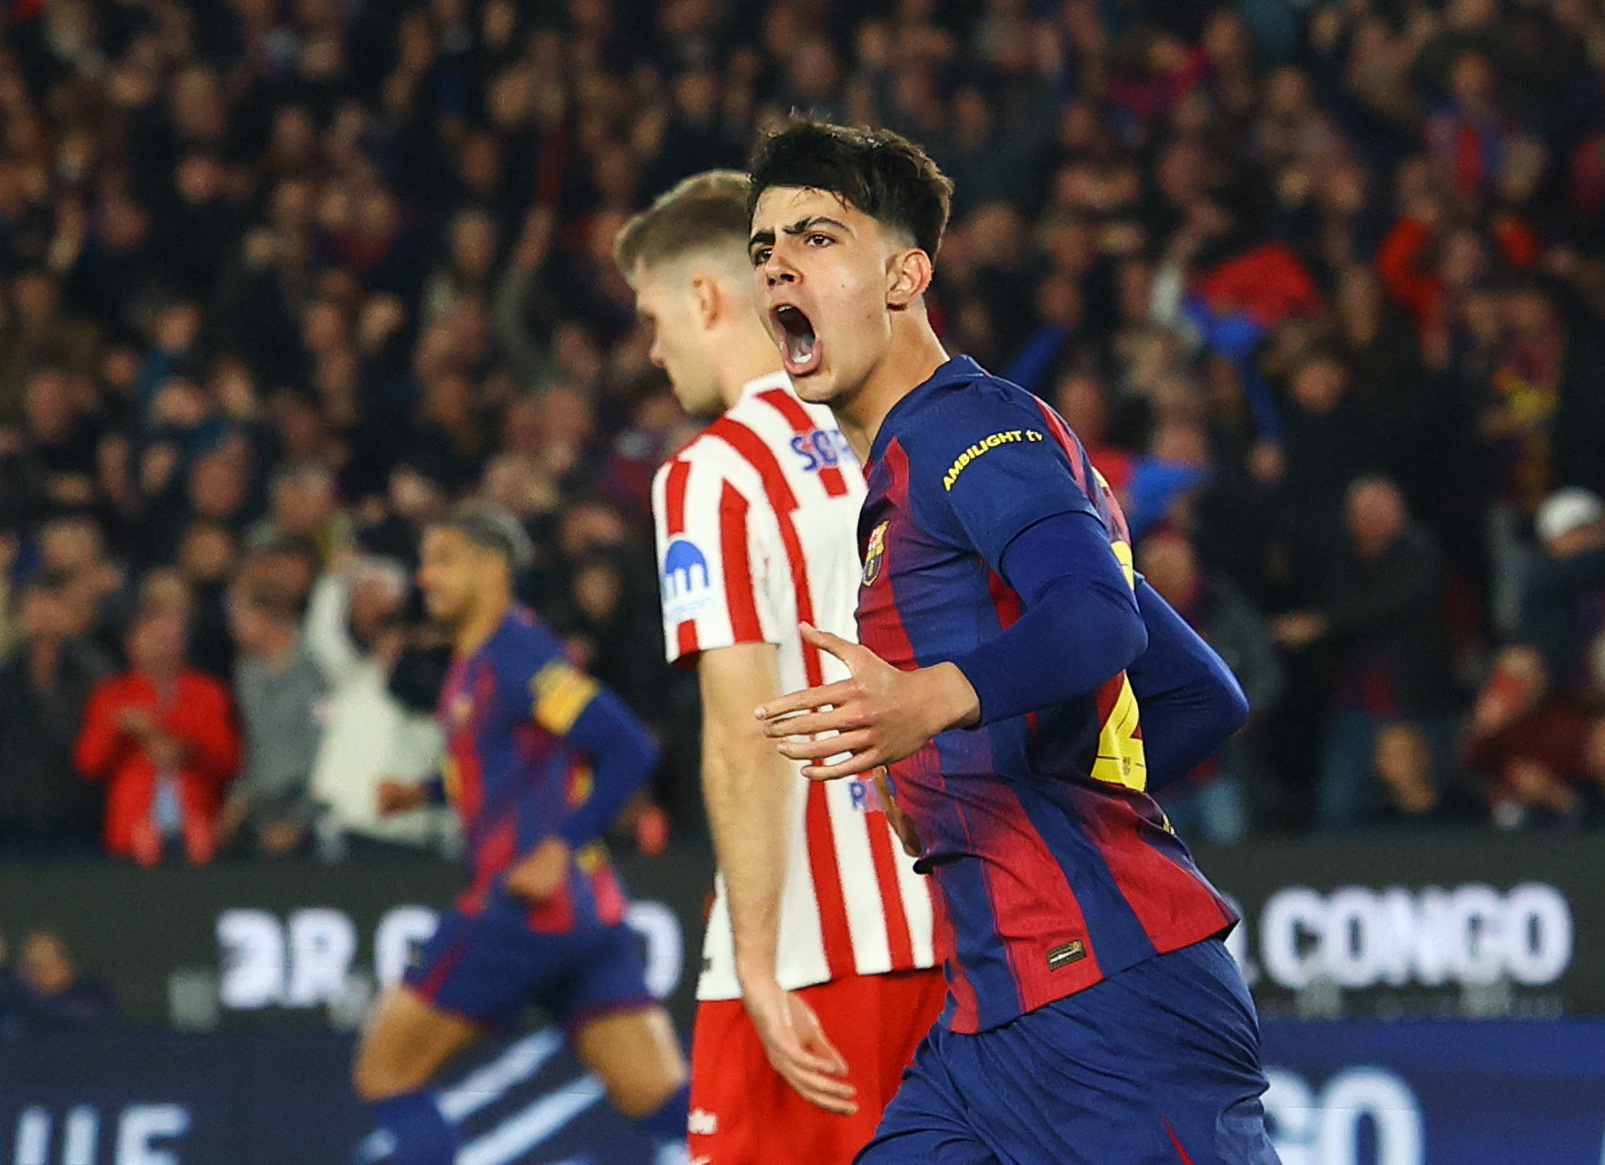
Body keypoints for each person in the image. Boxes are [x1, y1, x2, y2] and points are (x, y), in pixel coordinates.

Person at [745, 120, 1274, 1165]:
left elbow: (1096, 620)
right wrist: (991, 786)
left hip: (1113, 1008)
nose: (777, 266)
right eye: (762, 249)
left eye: (814, 237)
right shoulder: (914, 467)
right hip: (990, 1022)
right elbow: (1198, 692)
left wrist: (930, 706)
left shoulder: (972, 429)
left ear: (905, 276)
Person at [617, 171, 942, 1165]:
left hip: (815, 948)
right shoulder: (904, 432)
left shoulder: (713, 473)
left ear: (708, 297)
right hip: (955, 925)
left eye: (652, 314)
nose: (652, 346)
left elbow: (744, 730)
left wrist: (754, 957)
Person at [351, 506, 688, 1165]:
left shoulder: (520, 656)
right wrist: (420, 792)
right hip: (585, 918)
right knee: (660, 1097)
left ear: (493, 566)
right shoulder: (475, 664)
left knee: (386, 1072)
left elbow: (625, 746)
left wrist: (558, 847)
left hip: (524, 910)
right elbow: (499, 762)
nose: (425, 575)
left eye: (444, 557)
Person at [74, 601, 240, 865]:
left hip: (198, 827)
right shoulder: (112, 695)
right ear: (131, 643)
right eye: (154, 637)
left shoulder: (208, 693)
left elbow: (229, 760)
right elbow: (89, 763)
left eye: (171, 638)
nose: (162, 646)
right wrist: (121, 730)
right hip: (134, 829)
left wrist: (184, 748)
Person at [218, 575, 329, 858]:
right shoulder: (246, 674)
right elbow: (252, 743)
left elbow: (322, 749)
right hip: (257, 813)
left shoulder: (314, 671)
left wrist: (299, 820)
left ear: (265, 616)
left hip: (302, 810)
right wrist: (236, 801)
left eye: (239, 615)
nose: (233, 626)